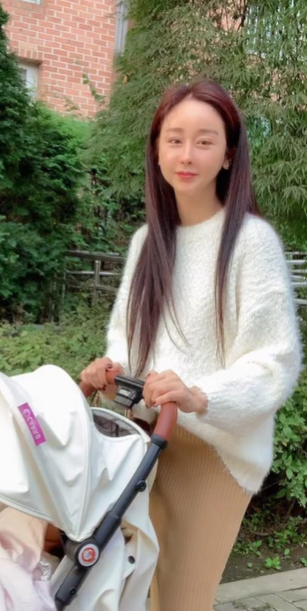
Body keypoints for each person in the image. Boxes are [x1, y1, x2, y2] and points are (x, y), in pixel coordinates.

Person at [80, 79, 302, 611]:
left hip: (212, 450)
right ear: (157, 150)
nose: (186, 154)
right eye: (175, 139)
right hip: (140, 438)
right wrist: (109, 371)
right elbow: (126, 339)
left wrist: (200, 395)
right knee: (118, 589)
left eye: (205, 141)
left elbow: (274, 361)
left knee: (180, 600)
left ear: (228, 155)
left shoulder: (251, 241)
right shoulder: (146, 241)